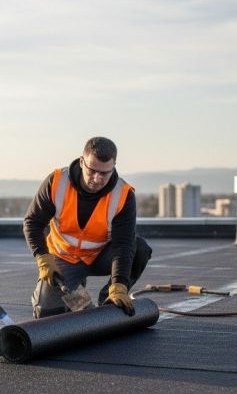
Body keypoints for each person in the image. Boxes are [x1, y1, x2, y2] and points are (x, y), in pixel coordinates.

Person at [23, 136, 152, 318]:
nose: (97, 179)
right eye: (92, 171)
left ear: (114, 166)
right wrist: (43, 258)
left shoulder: (123, 195)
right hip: (63, 257)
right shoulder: (57, 182)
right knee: (46, 314)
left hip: (99, 257)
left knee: (139, 249)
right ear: (82, 162)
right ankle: (76, 291)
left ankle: (109, 299)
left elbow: (124, 244)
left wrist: (119, 284)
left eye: (104, 173)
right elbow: (32, 222)